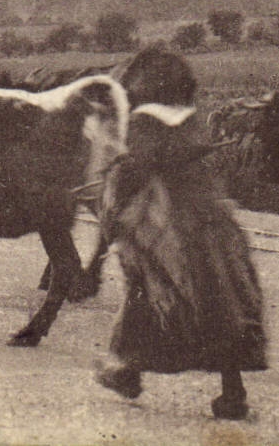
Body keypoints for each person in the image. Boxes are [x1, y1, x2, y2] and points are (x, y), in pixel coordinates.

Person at [95, 103, 269, 420]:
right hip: (211, 224)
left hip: (167, 226)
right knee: (219, 302)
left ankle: (127, 370)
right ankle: (233, 391)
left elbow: (135, 172)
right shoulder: (188, 120)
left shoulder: (144, 119)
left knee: (147, 295)